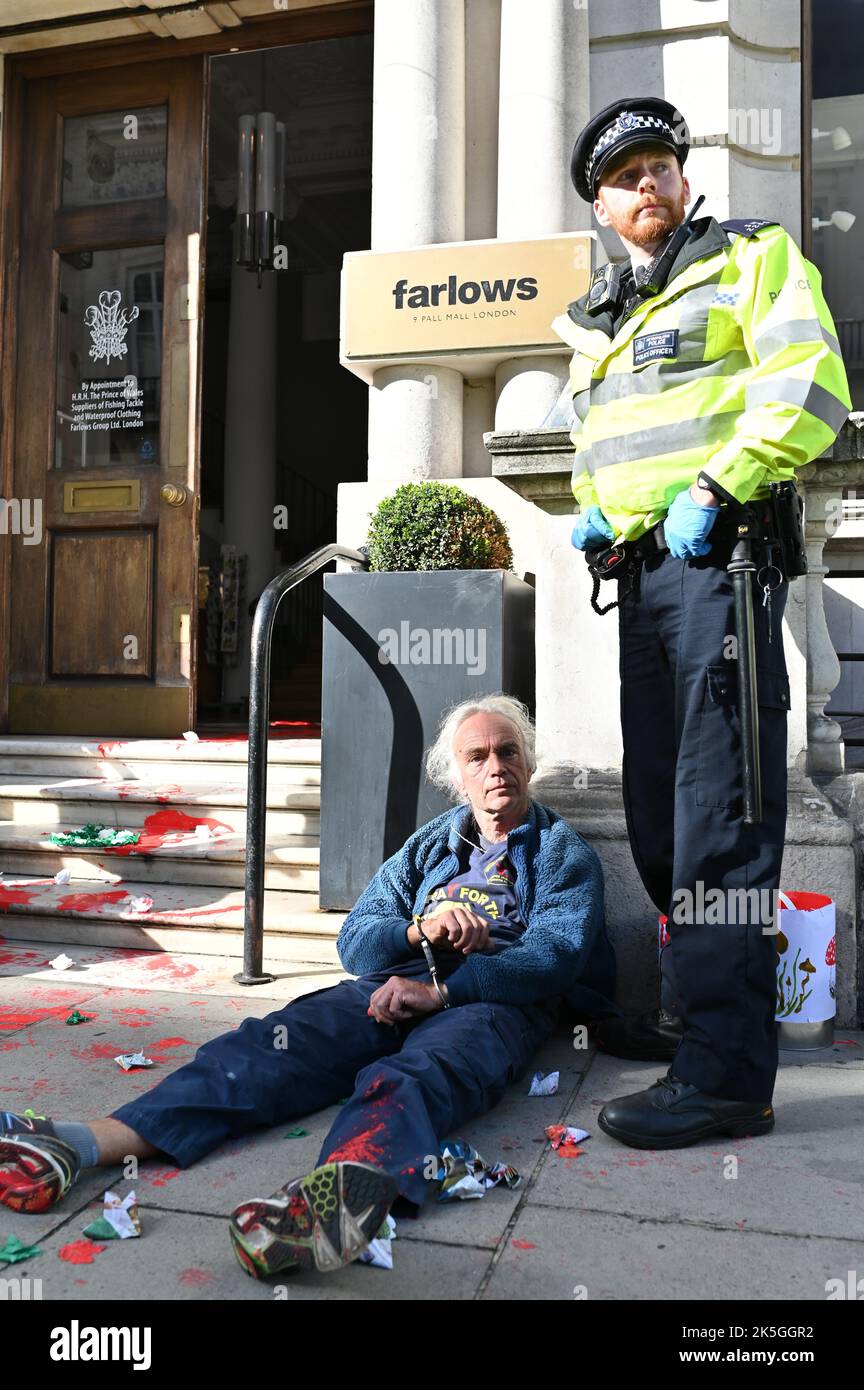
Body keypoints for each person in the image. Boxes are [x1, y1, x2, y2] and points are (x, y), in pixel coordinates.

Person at [0, 694, 615, 1278]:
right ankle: (81, 1146)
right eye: (476, 757)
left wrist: (445, 994)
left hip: (490, 1000)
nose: (496, 767)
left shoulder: (561, 852)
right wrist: (415, 929)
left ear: (529, 762)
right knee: (271, 1044)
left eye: (508, 751)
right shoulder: (431, 844)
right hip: (397, 981)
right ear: (455, 777)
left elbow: (551, 959)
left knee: (416, 1073)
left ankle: (329, 1210)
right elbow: (357, 941)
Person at [554, 97, 851, 1149]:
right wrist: (597, 515)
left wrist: (719, 486)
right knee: (660, 812)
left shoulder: (747, 259)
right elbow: (603, 444)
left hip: (720, 568)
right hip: (646, 578)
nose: (650, 185)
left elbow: (810, 386)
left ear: (683, 178)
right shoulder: (605, 318)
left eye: (662, 167)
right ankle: (693, 1015)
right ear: (600, 204)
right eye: (627, 175)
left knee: (722, 817)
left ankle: (727, 1075)